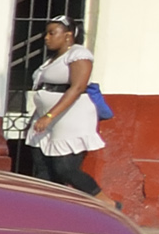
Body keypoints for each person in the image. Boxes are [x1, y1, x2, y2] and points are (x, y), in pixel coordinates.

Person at [17, 18, 107, 197]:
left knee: (65, 168)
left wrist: (49, 116)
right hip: (46, 119)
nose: (46, 38)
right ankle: (49, 209)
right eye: (46, 33)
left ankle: (107, 203)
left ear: (68, 36)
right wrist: (39, 116)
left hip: (69, 118)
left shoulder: (78, 54)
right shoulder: (52, 59)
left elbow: (78, 87)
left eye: (52, 33)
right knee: (43, 167)